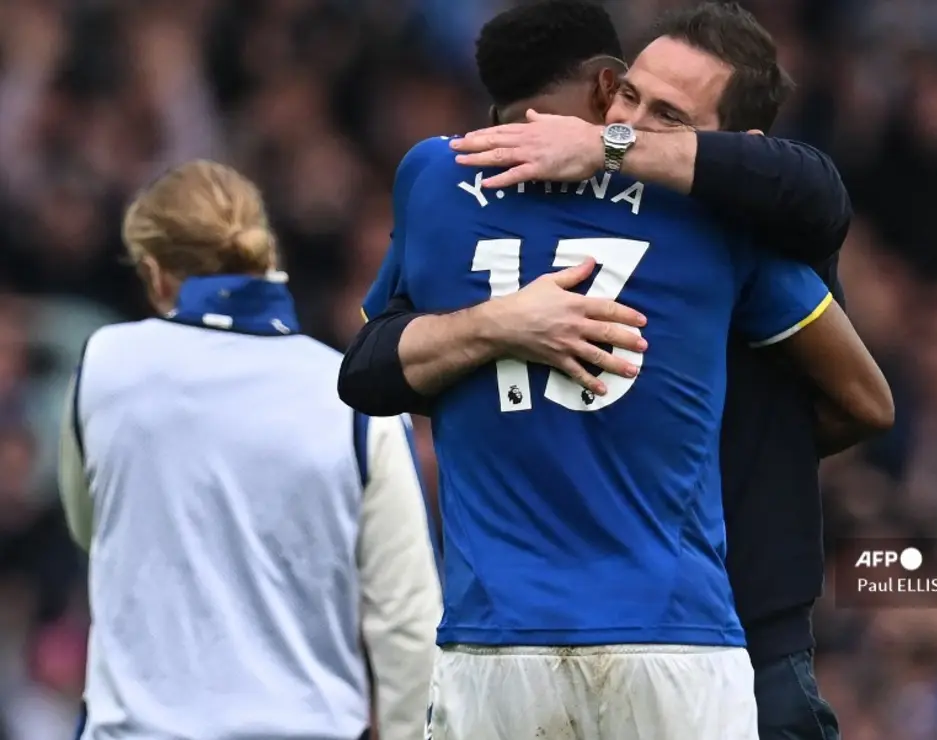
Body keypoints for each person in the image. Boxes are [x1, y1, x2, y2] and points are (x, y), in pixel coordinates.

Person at [341, 2, 891, 739]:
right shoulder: (461, 182)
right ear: (608, 82)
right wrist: (498, 325)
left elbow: (861, 377)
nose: (624, 120)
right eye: (629, 96)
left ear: (739, 151)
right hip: (633, 635)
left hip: (738, 614)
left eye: (667, 115)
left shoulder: (735, 211)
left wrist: (705, 458)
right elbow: (366, 367)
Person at [58, 161, 442, 740]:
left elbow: (91, 529)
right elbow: (407, 623)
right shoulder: (354, 399)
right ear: (265, 255)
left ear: (154, 274)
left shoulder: (103, 365)